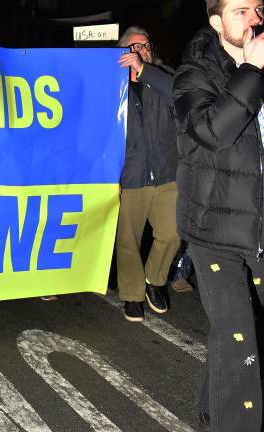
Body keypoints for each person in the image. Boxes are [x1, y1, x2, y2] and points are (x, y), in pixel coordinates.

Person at [173, 0, 264, 430]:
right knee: (240, 345)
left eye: (258, 9)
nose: (254, 20)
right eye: (240, 12)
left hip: (258, 223)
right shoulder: (194, 73)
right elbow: (213, 131)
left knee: (238, 338)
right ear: (216, 22)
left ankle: (213, 417)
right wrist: (251, 72)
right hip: (215, 230)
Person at [115, 26, 180, 322]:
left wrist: (145, 72)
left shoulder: (165, 77)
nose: (142, 51)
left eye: (146, 46)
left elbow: (179, 98)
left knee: (173, 232)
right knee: (127, 240)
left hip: (168, 176)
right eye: (134, 47)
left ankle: (155, 279)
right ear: (121, 53)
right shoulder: (111, 87)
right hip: (130, 178)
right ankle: (131, 295)